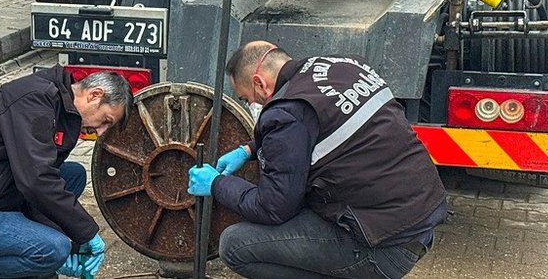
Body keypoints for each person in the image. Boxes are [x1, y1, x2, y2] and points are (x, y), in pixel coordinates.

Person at [188, 41, 448, 279]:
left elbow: (273, 208)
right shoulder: (343, 66)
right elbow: (316, 127)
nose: (253, 104)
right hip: (418, 221)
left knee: (235, 244)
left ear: (260, 83)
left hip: (385, 247)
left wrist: (217, 184)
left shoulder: (285, 111)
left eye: (248, 99)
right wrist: (248, 149)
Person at [0, 66, 133, 279]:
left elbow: (43, 175)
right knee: (54, 249)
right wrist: (87, 233)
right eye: (105, 121)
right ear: (94, 95)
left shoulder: (62, 108)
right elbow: (36, 180)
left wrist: (74, 240)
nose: (101, 132)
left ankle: (34, 255)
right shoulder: (32, 100)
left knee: (73, 175)